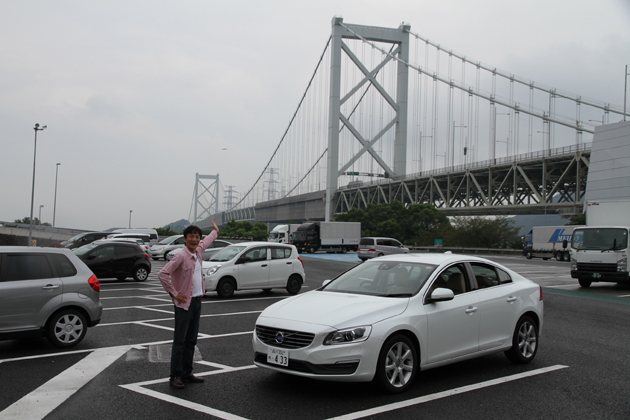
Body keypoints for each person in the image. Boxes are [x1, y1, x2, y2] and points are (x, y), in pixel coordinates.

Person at [158, 222, 219, 389]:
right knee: (180, 341)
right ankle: (175, 375)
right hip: (184, 305)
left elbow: (207, 241)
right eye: (191, 236)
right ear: (184, 239)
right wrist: (173, 292)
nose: (194, 239)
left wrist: (214, 231)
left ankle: (187, 372)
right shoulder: (180, 256)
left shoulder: (198, 251)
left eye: (197, 237)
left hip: (197, 302)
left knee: (191, 340)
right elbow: (162, 274)